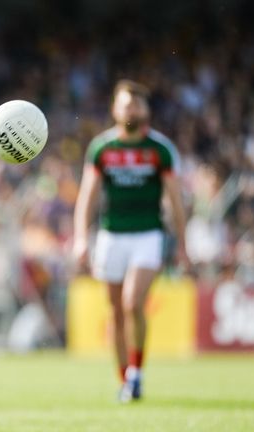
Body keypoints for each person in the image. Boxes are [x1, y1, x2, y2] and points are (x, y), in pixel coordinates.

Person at [72, 79, 189, 403]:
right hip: (111, 236)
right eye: (126, 105)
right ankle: (125, 379)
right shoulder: (102, 148)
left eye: (137, 105)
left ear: (146, 110)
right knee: (115, 312)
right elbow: (87, 197)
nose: (131, 110)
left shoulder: (160, 150)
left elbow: (175, 201)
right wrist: (81, 238)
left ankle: (136, 373)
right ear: (115, 109)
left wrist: (182, 244)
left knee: (132, 302)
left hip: (148, 234)